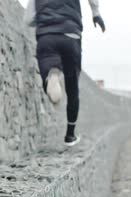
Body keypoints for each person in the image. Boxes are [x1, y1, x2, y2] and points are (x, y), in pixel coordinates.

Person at [24, 0, 106, 146]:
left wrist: (45, 21)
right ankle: (70, 135)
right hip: (71, 34)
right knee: (72, 88)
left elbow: (28, 19)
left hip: (46, 35)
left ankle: (52, 75)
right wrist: (96, 13)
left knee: (48, 69)